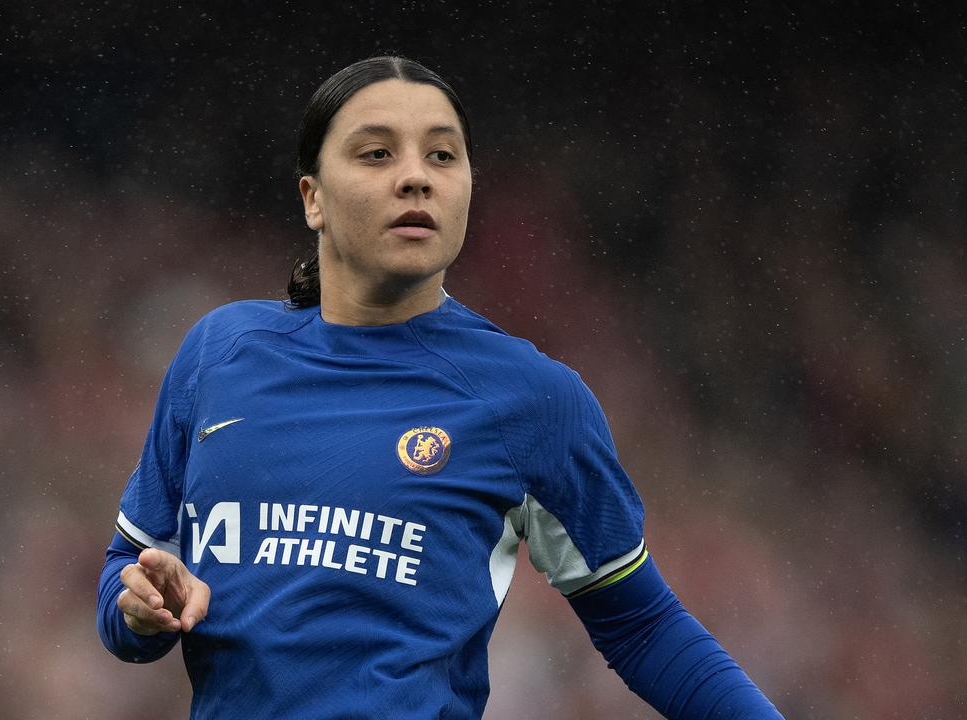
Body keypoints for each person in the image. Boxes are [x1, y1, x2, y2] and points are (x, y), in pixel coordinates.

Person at [96, 56, 784, 719]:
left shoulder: (533, 400)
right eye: (376, 154)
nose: (416, 178)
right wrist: (139, 612)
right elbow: (128, 572)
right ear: (313, 198)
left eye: (442, 156)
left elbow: (642, 625)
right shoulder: (218, 355)